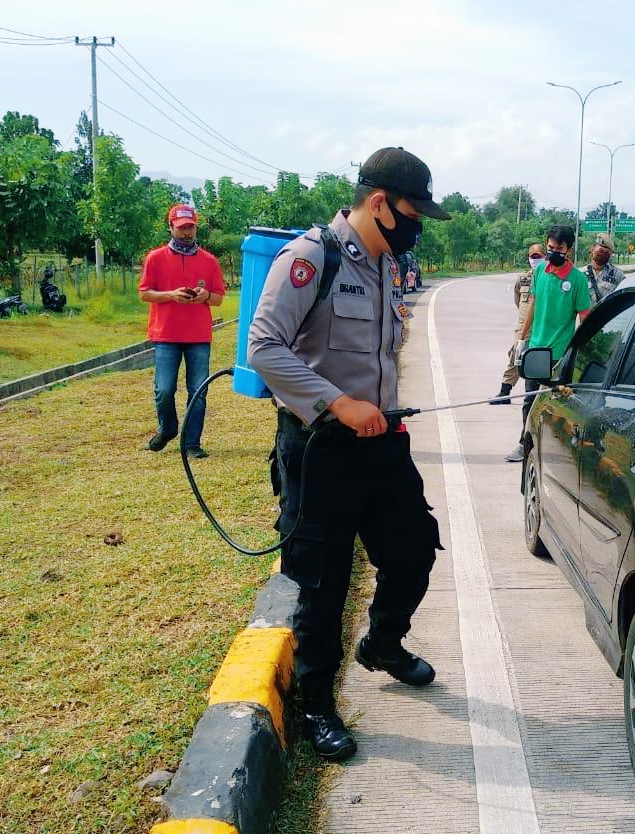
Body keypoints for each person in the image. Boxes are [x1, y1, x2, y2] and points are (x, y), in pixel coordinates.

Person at [248, 146, 451, 763]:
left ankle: (384, 643)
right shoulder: (312, 258)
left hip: (382, 443)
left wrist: (378, 411)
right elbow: (263, 346)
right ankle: (316, 703)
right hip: (322, 448)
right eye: (414, 213)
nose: (418, 228)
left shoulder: (388, 265)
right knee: (323, 580)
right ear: (380, 203)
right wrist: (337, 402)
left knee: (415, 548)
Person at [137, 204, 226, 458]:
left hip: (198, 336)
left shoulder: (209, 261)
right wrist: (170, 295)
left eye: (191, 227)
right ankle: (168, 429)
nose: (187, 233)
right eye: (182, 228)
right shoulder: (155, 258)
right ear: (171, 228)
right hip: (166, 335)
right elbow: (144, 293)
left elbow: (219, 298)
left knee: (198, 390)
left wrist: (205, 295)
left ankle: (191, 443)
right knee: (164, 389)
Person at [504, 225, 591, 462]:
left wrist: (577, 352)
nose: (554, 252)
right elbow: (532, 303)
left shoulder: (577, 280)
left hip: (559, 354)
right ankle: (525, 445)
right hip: (536, 350)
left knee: (558, 405)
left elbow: (584, 318)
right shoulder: (540, 270)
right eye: (550, 248)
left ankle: (560, 453)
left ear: (569, 250)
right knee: (530, 401)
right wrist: (522, 338)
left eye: (559, 249)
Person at [491, 243, 545, 404]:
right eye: (532, 256)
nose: (535, 259)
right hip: (523, 326)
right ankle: (505, 391)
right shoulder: (523, 278)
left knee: (543, 360)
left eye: (539, 256)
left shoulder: (549, 278)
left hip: (543, 326)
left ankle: (540, 396)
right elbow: (518, 300)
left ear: (545, 257)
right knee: (516, 353)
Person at [584, 232, 624, 304]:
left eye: (606, 253)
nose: (602, 255)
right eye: (600, 251)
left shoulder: (617, 275)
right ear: (592, 249)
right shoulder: (580, 274)